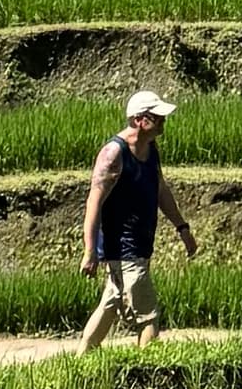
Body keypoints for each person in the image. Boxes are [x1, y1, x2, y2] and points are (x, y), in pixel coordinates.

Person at [78, 88, 199, 349]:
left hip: (140, 246)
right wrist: (90, 251)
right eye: (157, 117)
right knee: (149, 316)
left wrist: (182, 227)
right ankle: (148, 370)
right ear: (139, 120)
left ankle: (80, 358)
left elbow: (160, 189)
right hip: (124, 249)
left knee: (110, 304)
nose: (163, 121)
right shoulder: (113, 154)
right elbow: (93, 204)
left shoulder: (150, 149)